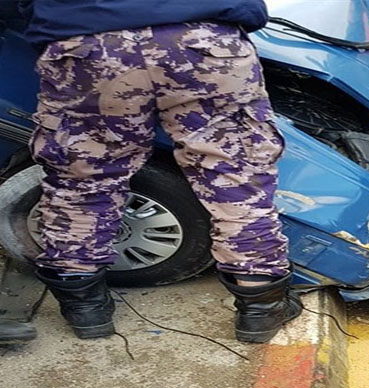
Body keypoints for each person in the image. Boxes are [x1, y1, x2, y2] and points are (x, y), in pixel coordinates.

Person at [8, 0, 302, 343]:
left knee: (82, 178)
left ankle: (85, 309)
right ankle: (260, 307)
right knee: (235, 179)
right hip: (202, 39)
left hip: (87, 43)